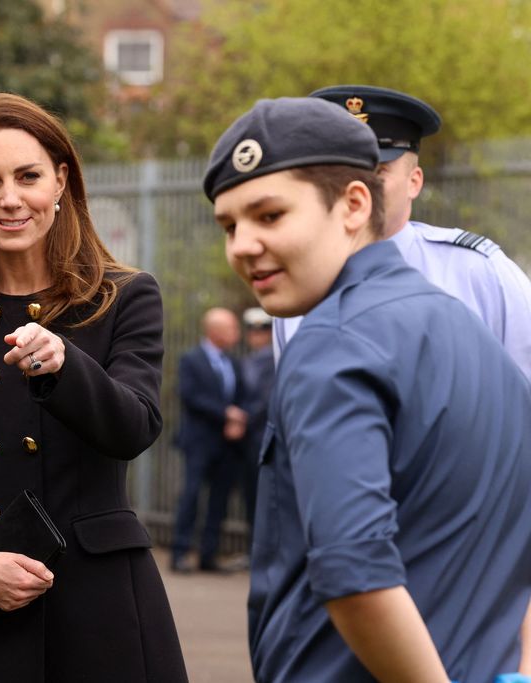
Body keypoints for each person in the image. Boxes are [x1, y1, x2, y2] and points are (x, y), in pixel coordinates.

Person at [205, 96, 531, 681]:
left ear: (355, 204)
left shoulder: (334, 343)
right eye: (229, 225)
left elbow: (356, 578)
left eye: (270, 215)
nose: (242, 246)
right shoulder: (460, 325)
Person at [0, 92, 187, 682]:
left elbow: (134, 426)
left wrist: (67, 366)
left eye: (28, 176)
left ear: (61, 182)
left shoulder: (124, 298)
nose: (10, 198)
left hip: (104, 607)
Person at [272, 84, 531, 380]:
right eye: (342, 172)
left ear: (414, 182)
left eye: (377, 171)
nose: (357, 187)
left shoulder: (476, 273)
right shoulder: (298, 285)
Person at [170, 307, 247, 573]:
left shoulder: (234, 362)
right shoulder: (191, 359)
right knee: (191, 496)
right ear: (214, 331)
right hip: (199, 441)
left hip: (228, 443)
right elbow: (191, 396)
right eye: (231, 328)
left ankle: (208, 555)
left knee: (219, 500)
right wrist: (226, 414)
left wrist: (237, 423)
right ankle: (179, 553)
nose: (237, 334)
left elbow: (241, 396)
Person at [239, 306, 274, 537]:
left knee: (265, 498)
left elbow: (265, 399)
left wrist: (243, 419)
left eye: (261, 332)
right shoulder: (249, 359)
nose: (256, 336)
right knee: (252, 496)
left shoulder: (272, 358)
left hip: (262, 436)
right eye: (252, 332)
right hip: (248, 439)